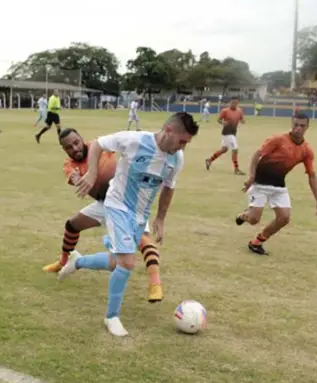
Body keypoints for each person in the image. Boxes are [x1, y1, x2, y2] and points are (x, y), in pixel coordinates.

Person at [58, 113, 200, 337]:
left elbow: (169, 187)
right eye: (182, 141)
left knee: (117, 263)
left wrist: (160, 218)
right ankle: (111, 317)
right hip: (117, 205)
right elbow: (97, 144)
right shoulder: (135, 140)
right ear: (169, 131)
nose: (183, 147)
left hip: (139, 215)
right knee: (127, 263)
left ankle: (79, 261)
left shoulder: (177, 158)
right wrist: (92, 173)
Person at [42, 128, 164, 302]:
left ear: (82, 138)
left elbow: (124, 142)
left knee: (143, 240)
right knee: (72, 224)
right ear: (64, 150)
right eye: (69, 147)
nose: (75, 148)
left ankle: (155, 285)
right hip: (104, 204)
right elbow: (73, 177)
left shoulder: (99, 146)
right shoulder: (69, 165)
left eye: (76, 142)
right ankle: (63, 261)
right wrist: (77, 179)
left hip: (127, 201)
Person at [235, 113, 317, 256]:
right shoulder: (278, 140)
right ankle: (244, 215)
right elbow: (257, 154)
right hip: (260, 184)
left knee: (284, 218)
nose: (298, 128)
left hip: (278, 187)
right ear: (291, 124)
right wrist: (252, 176)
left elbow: (312, 176)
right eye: (296, 125)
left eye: (302, 126)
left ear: (307, 127)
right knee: (253, 220)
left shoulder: (306, 150)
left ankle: (257, 242)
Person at [205, 97, 246, 175]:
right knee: (235, 149)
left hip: (233, 132)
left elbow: (242, 119)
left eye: (235, 103)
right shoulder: (225, 111)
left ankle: (209, 160)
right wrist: (222, 122)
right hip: (227, 132)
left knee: (224, 149)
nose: (234, 104)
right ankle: (236, 168)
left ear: (237, 103)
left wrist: (243, 121)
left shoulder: (239, 111)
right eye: (232, 103)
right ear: (230, 102)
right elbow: (218, 119)